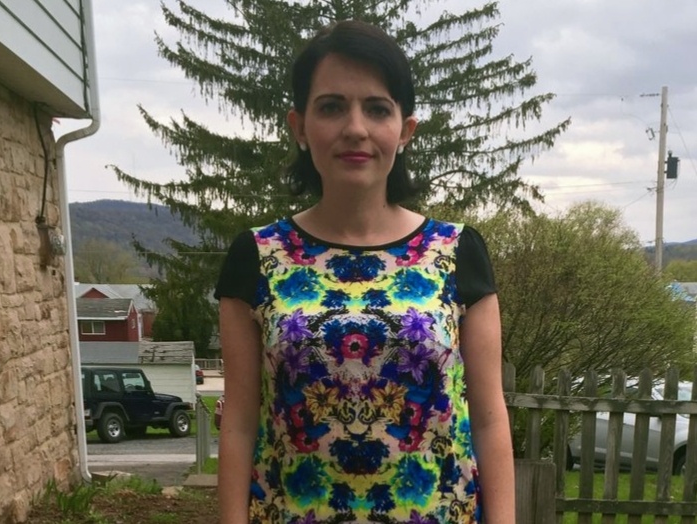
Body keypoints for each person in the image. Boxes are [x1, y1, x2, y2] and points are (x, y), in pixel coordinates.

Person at [215, 19, 515, 523]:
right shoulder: (257, 257)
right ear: (299, 126)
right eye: (332, 107)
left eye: (377, 108)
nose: (355, 128)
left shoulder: (457, 251)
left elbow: (489, 419)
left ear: (405, 130)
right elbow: (240, 425)